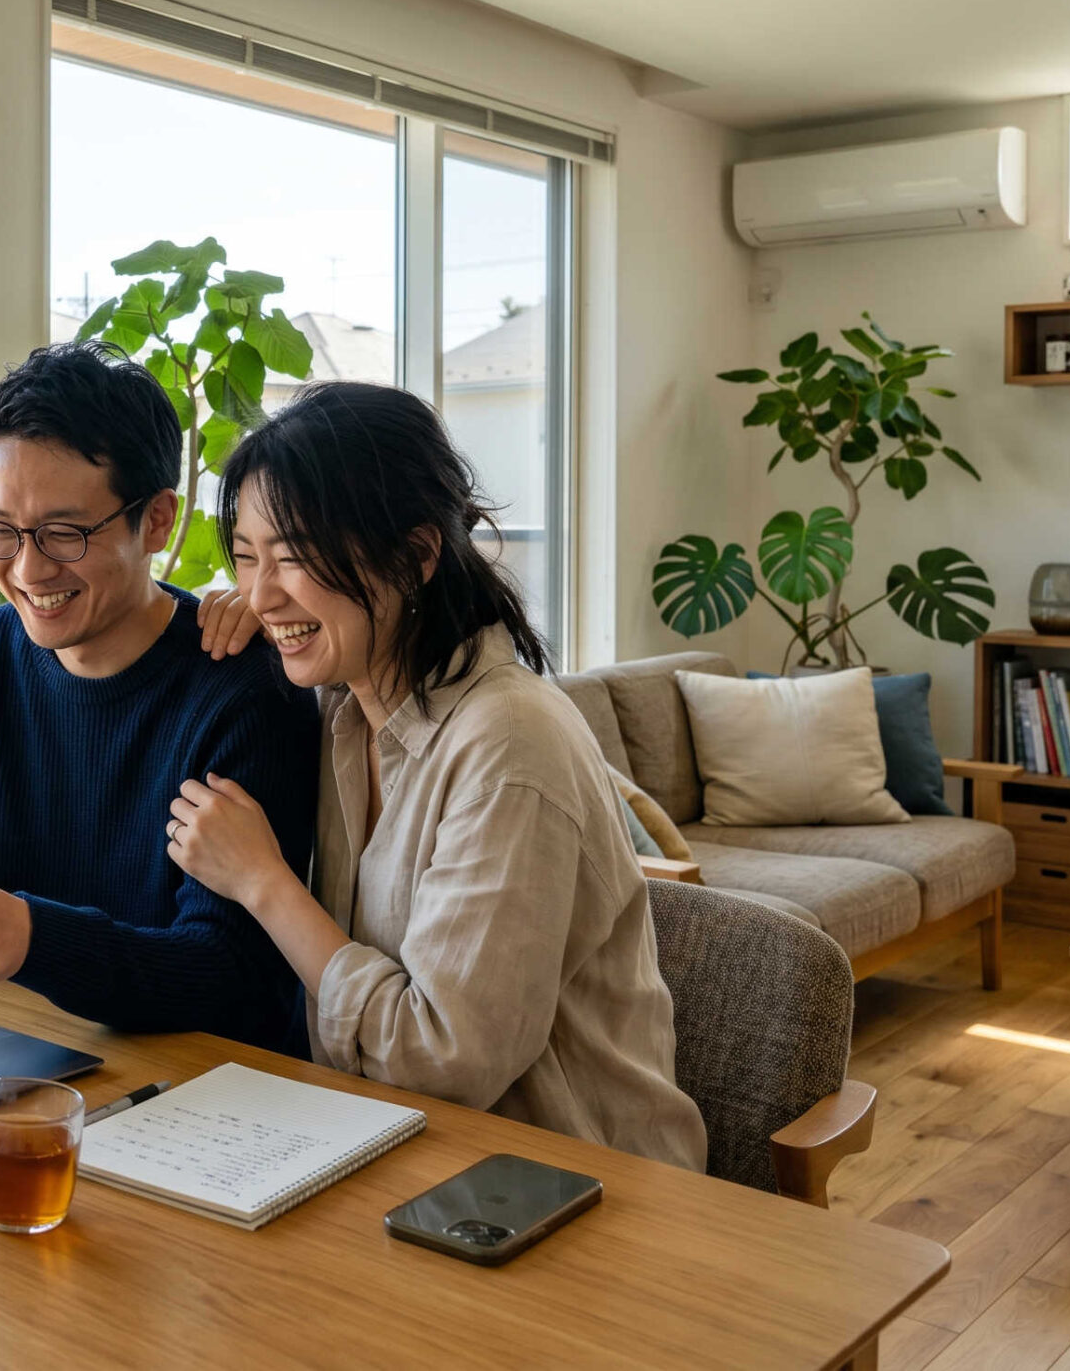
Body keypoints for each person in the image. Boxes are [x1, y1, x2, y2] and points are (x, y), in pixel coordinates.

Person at [169, 381, 705, 1168]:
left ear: (417, 555)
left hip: (572, 1188)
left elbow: (443, 1061)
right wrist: (269, 612)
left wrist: (265, 883)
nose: (260, 589)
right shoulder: (345, 706)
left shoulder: (510, 744)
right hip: (395, 1155)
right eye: (246, 557)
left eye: (296, 554)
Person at [0, 343, 318, 1053]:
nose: (27, 568)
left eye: (64, 532)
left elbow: (229, 973)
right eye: (1, 529)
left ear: (156, 521)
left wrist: (32, 937)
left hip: (203, 1096)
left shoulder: (242, 689)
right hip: (27, 1060)